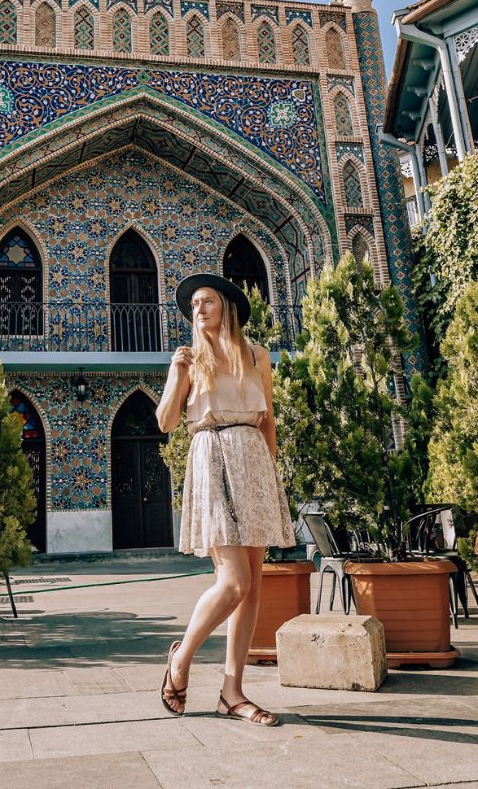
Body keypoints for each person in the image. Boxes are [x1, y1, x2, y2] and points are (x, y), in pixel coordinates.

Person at [156, 273, 295, 726]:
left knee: (253, 585)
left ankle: (232, 692)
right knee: (232, 581)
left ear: (227, 307)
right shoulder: (189, 359)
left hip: (253, 461)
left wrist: (270, 479)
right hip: (211, 457)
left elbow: (267, 419)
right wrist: (177, 378)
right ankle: (181, 659)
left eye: (207, 301)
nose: (198, 309)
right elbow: (165, 422)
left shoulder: (257, 355)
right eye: (194, 303)